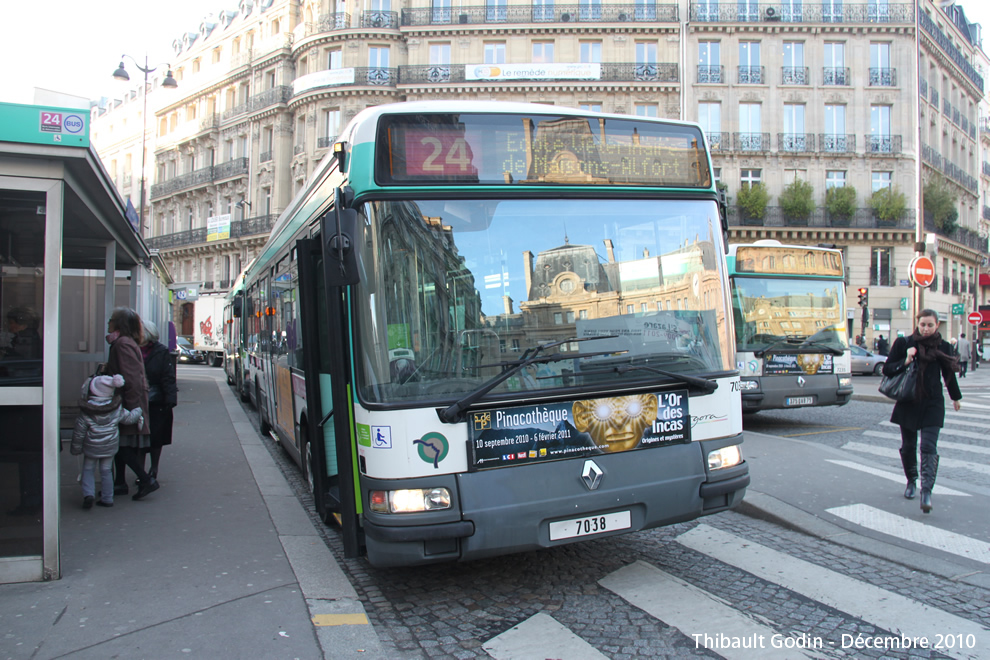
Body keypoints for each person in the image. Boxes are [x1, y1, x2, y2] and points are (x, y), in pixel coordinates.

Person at [882, 309, 961, 514]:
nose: (925, 329)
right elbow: (887, 369)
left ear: (937, 326)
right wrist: (906, 360)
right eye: (922, 325)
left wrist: (955, 397)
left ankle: (927, 491)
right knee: (908, 446)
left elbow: (949, 374)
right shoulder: (904, 344)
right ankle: (911, 481)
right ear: (917, 324)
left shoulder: (944, 347)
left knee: (928, 446)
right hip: (909, 402)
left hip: (933, 403)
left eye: (930, 325)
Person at [105, 307, 159, 500]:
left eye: (111, 319)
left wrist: (130, 407)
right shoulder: (125, 343)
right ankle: (120, 483)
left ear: (119, 324)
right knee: (121, 444)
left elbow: (131, 378)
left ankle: (146, 480)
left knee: (120, 445)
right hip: (129, 400)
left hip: (127, 402)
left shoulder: (122, 344)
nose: (108, 322)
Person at [69, 374, 144, 508]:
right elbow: (129, 419)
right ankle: (107, 498)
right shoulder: (116, 409)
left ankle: (88, 495)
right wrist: (138, 410)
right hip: (110, 447)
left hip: (91, 447)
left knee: (88, 469)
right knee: (106, 470)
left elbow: (79, 432)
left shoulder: (87, 411)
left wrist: (76, 448)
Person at [140, 320, 177, 480]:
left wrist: (170, 399)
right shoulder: (134, 349)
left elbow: (168, 377)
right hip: (139, 399)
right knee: (140, 437)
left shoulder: (160, 351)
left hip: (157, 400)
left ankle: (153, 468)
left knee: (156, 437)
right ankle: (140, 472)